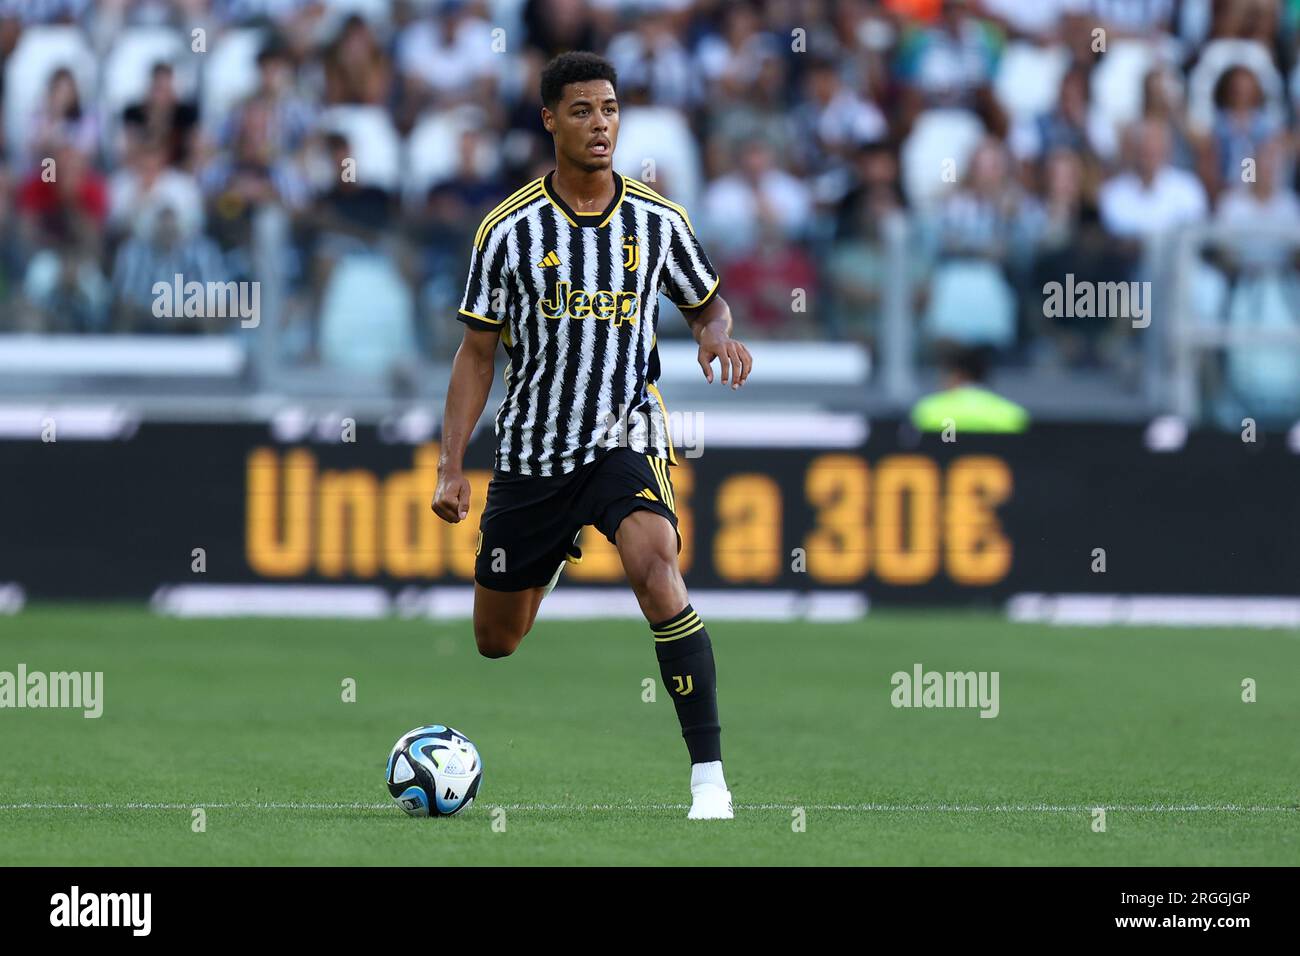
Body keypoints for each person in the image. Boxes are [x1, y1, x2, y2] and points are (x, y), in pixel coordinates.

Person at [430, 52, 752, 820]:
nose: (599, 124)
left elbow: (708, 304)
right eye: (581, 110)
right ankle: (557, 549)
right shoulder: (506, 233)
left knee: (656, 566)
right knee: (496, 640)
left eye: (608, 109)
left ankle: (709, 777)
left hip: (624, 431)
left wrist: (714, 336)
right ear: (550, 120)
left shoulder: (658, 220)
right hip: (535, 450)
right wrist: (451, 466)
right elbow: (477, 354)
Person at [911, 343, 1029, 433]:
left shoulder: (927, 412)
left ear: (958, 374)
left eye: (945, 375)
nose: (941, 381)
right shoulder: (1013, 415)